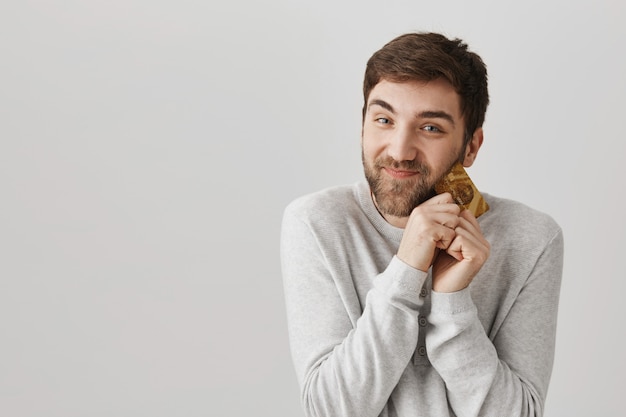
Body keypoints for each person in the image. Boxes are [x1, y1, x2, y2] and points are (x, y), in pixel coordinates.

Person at [280, 32, 563, 417]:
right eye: (383, 119)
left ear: (471, 146)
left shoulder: (531, 238)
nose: (399, 150)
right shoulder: (316, 222)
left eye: (430, 127)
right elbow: (329, 409)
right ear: (363, 125)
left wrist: (451, 305)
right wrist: (407, 268)